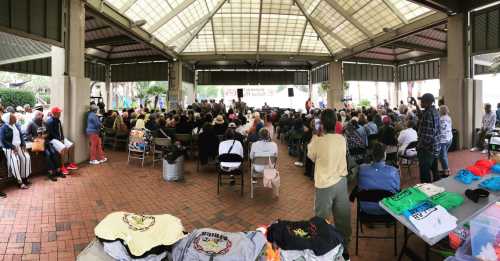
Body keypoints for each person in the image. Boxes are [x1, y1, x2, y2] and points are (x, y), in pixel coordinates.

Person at [307, 109, 351, 260]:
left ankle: (323, 247)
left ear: (322, 124)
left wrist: (316, 135)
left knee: (321, 218)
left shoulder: (318, 140)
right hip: (341, 182)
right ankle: (345, 249)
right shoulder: (342, 139)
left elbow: (311, 156)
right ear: (336, 123)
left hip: (324, 184)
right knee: (343, 217)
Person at [357, 142, 400, 215]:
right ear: (385, 155)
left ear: (372, 155)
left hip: (366, 208)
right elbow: (397, 189)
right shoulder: (393, 171)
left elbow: (359, 186)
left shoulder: (361, 169)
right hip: (389, 208)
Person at [26, 111, 63, 181]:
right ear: (36, 116)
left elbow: (48, 132)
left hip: (47, 142)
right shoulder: (31, 123)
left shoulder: (44, 123)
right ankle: (51, 173)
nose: (41, 118)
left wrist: (46, 135)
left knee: (54, 153)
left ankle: (58, 171)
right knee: (48, 155)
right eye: (40, 116)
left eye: (42, 116)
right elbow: (27, 134)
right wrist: (34, 138)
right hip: (39, 144)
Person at [412, 94, 440, 183]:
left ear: (428, 102)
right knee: (435, 171)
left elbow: (427, 136)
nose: (421, 102)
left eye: (422, 101)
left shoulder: (428, 114)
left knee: (425, 175)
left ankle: (427, 192)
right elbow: (422, 117)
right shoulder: (434, 111)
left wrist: (419, 146)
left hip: (427, 150)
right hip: (435, 147)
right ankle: (438, 191)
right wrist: (416, 105)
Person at [0, 112, 32, 189]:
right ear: (9, 120)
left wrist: (23, 144)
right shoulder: (3, 128)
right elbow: (3, 140)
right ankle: (19, 181)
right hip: (9, 148)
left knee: (26, 158)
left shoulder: (16, 125)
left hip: (19, 146)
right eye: (13, 117)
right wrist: (12, 147)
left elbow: (21, 135)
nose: (15, 118)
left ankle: (25, 177)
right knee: (15, 161)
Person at [46, 106, 78, 175]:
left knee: (71, 145)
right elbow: (51, 133)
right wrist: (60, 139)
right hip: (53, 140)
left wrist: (62, 138)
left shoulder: (58, 120)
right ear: (55, 113)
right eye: (59, 112)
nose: (60, 113)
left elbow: (61, 130)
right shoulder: (49, 121)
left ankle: (70, 164)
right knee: (63, 148)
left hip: (60, 138)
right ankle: (62, 167)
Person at [438, 105, 453, 177]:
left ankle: (446, 171)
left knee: (442, 156)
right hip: (449, 139)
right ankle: (444, 169)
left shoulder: (441, 119)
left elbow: (440, 130)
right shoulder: (448, 117)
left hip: (443, 140)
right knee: (443, 155)